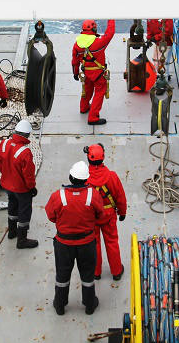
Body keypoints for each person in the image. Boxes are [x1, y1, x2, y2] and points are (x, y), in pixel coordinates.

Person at [44, 161, 106, 315]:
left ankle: (60, 304)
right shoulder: (93, 195)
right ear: (86, 179)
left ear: (70, 177)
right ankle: (89, 304)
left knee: (62, 275)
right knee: (87, 275)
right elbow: (101, 215)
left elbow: (51, 215)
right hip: (87, 243)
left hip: (64, 244)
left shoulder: (58, 196)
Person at [85, 143, 126, 281]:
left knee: (94, 243)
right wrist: (122, 212)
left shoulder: (85, 179)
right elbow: (120, 196)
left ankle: (96, 272)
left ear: (88, 158)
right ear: (103, 157)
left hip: (92, 217)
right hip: (108, 216)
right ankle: (116, 271)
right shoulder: (112, 176)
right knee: (112, 242)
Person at [0, 119, 38, 249]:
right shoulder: (25, 152)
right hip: (21, 188)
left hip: (7, 185)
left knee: (12, 206)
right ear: (27, 135)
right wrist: (31, 187)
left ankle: (12, 232)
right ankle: (22, 240)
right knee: (24, 211)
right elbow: (28, 174)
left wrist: (7, 175)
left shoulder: (4, 143)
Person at [72, 19, 116, 125]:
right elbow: (110, 33)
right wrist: (111, 18)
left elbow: (75, 60)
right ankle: (93, 117)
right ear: (94, 28)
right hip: (98, 74)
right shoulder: (99, 43)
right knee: (100, 92)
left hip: (86, 72)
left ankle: (84, 107)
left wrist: (75, 72)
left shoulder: (77, 44)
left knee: (87, 90)